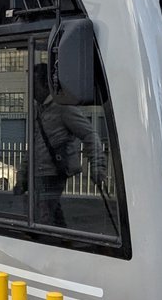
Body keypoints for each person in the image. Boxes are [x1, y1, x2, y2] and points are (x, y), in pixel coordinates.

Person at [23, 62, 106, 227]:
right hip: (39, 173)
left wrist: (98, 166)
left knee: (42, 218)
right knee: (52, 214)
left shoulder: (63, 107)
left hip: (53, 173)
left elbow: (89, 134)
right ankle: (65, 239)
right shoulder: (37, 109)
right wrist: (23, 173)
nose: (30, 90)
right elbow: (32, 144)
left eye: (33, 85)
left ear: (46, 84)